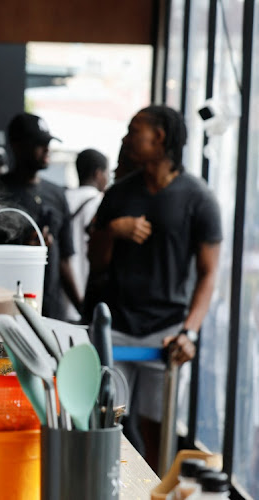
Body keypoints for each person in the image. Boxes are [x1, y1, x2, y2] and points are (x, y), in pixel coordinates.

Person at [88, 105, 221, 470]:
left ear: (159, 138)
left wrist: (189, 331)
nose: (127, 138)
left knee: (155, 432)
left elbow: (209, 274)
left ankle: (152, 491)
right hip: (115, 327)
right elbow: (96, 260)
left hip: (165, 332)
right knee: (102, 424)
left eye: (135, 130)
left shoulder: (199, 198)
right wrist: (113, 230)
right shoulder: (118, 193)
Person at [0, 112, 81, 320]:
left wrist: (81, 307)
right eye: (39, 143)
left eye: (48, 142)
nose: (47, 149)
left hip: (51, 311)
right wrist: (23, 249)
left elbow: (65, 259)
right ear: (16, 145)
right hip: (6, 312)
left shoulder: (57, 194)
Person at [62, 148, 109, 321]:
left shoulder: (62, 198)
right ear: (98, 174)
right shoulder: (100, 203)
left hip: (59, 299)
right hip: (85, 297)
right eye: (107, 173)